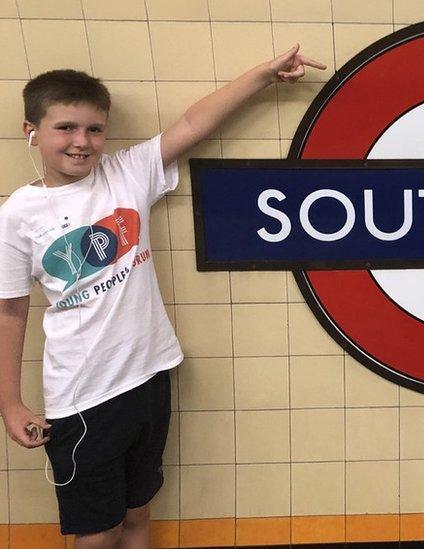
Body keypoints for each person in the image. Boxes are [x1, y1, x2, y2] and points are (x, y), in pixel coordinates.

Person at [0, 46, 325, 549]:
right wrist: (10, 403)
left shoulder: (126, 174)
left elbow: (194, 123)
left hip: (150, 376)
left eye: (93, 129)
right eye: (65, 128)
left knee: (136, 515)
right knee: (97, 531)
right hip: (84, 397)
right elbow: (10, 308)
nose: (82, 142)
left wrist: (261, 76)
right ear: (33, 132)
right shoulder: (20, 213)